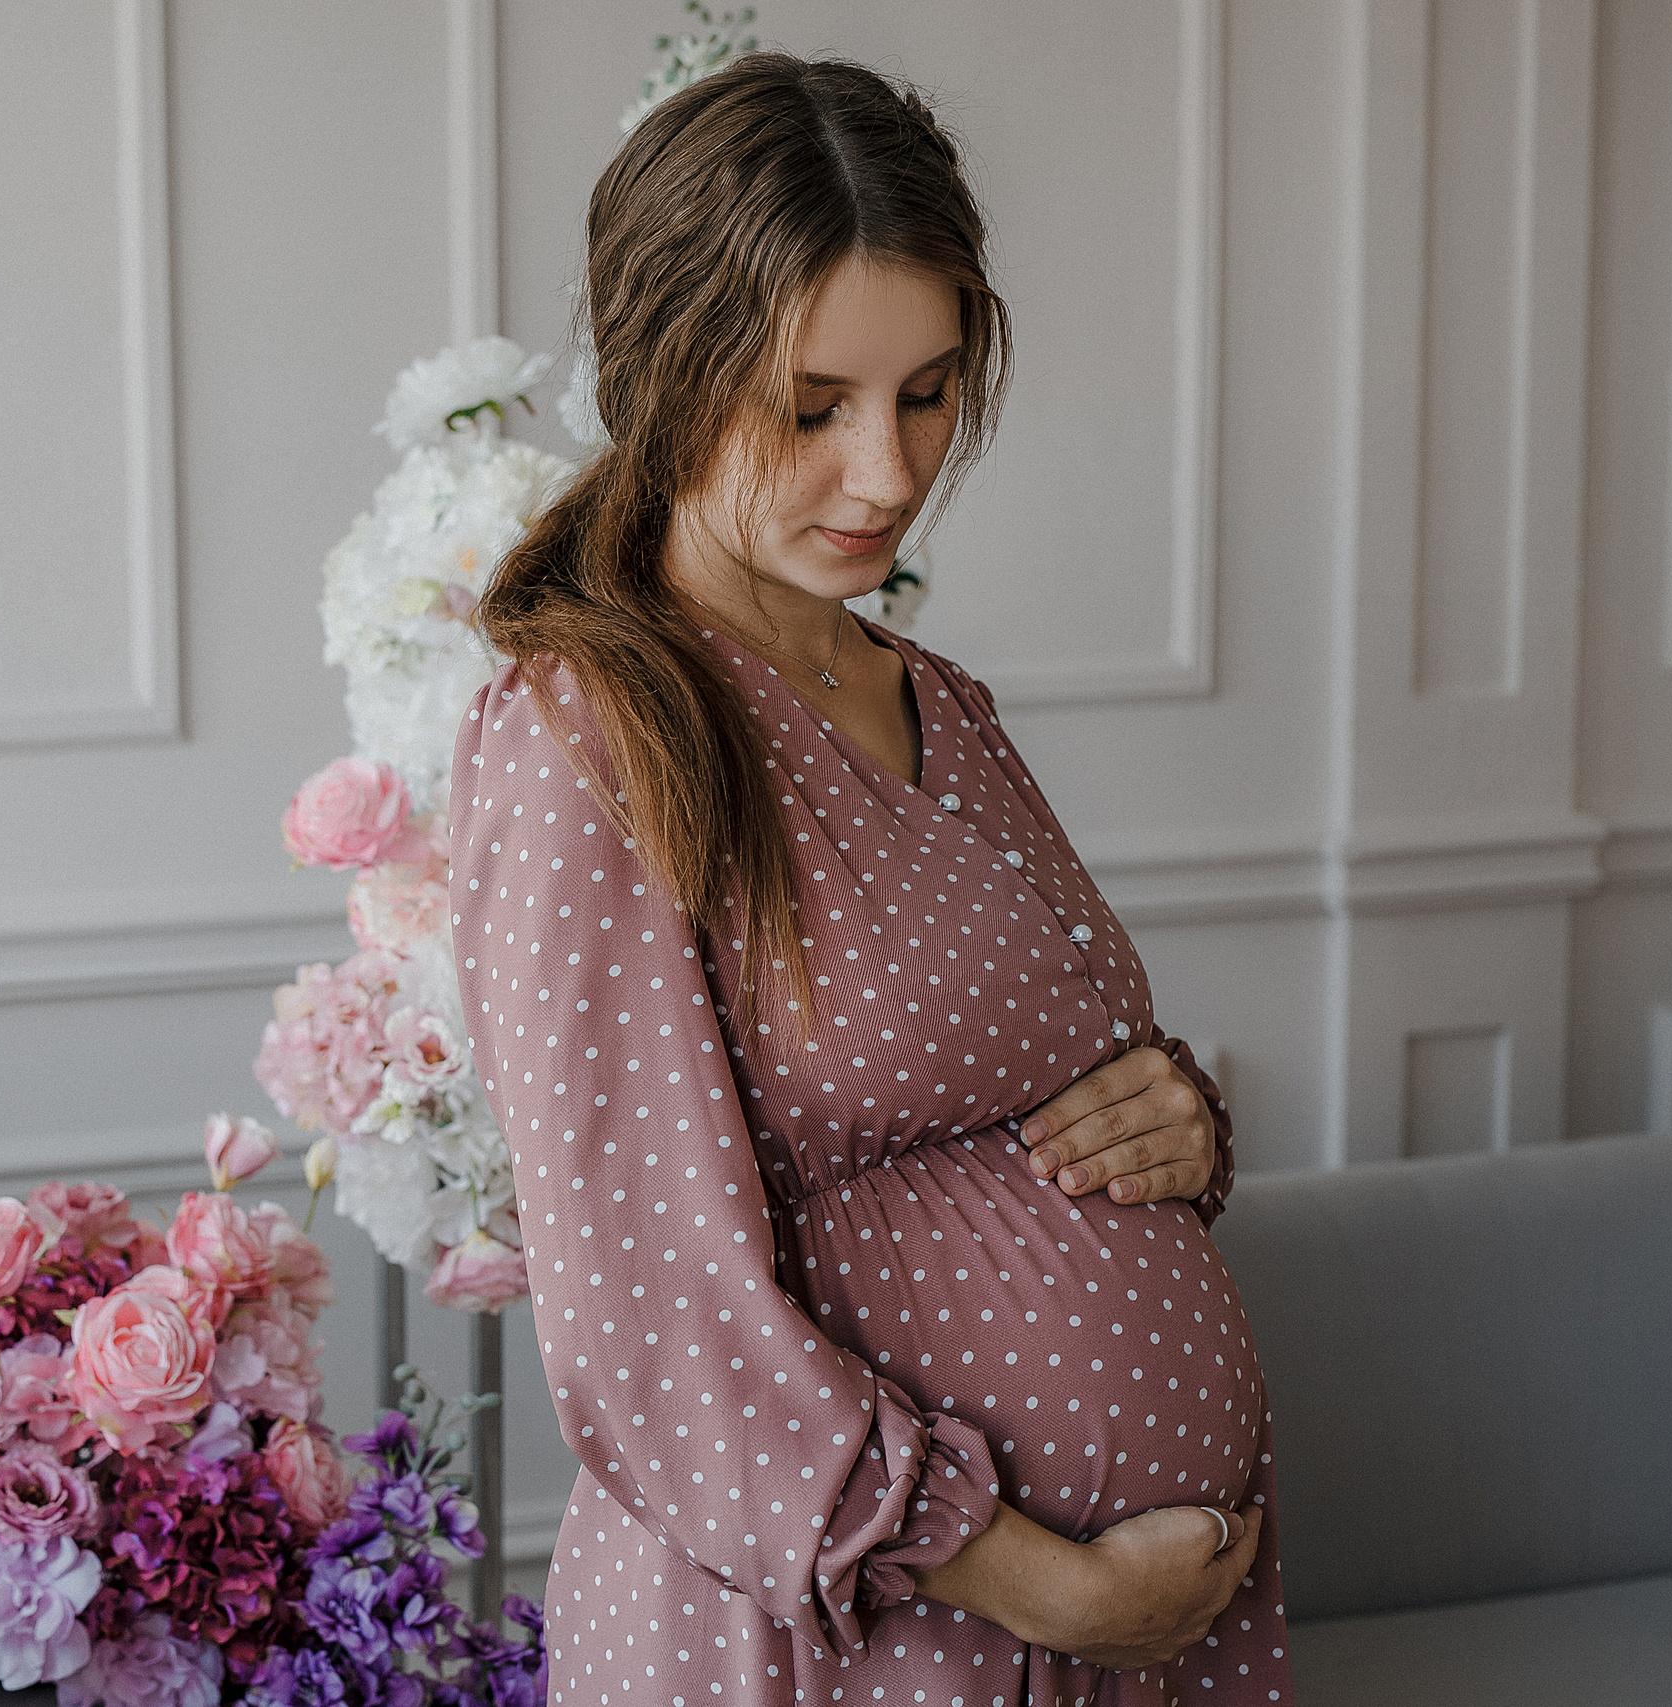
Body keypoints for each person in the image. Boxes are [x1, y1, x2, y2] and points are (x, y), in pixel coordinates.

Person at [449, 52, 1291, 1707]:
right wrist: (1054, 1585)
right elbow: (648, 1323)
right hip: (843, 1643)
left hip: (1102, 1640)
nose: (891, 475)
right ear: (665, 375)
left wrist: (1177, 1122)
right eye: (812, 406)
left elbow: (1029, 1071)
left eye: (926, 390)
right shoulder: (590, 743)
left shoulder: (931, 698)